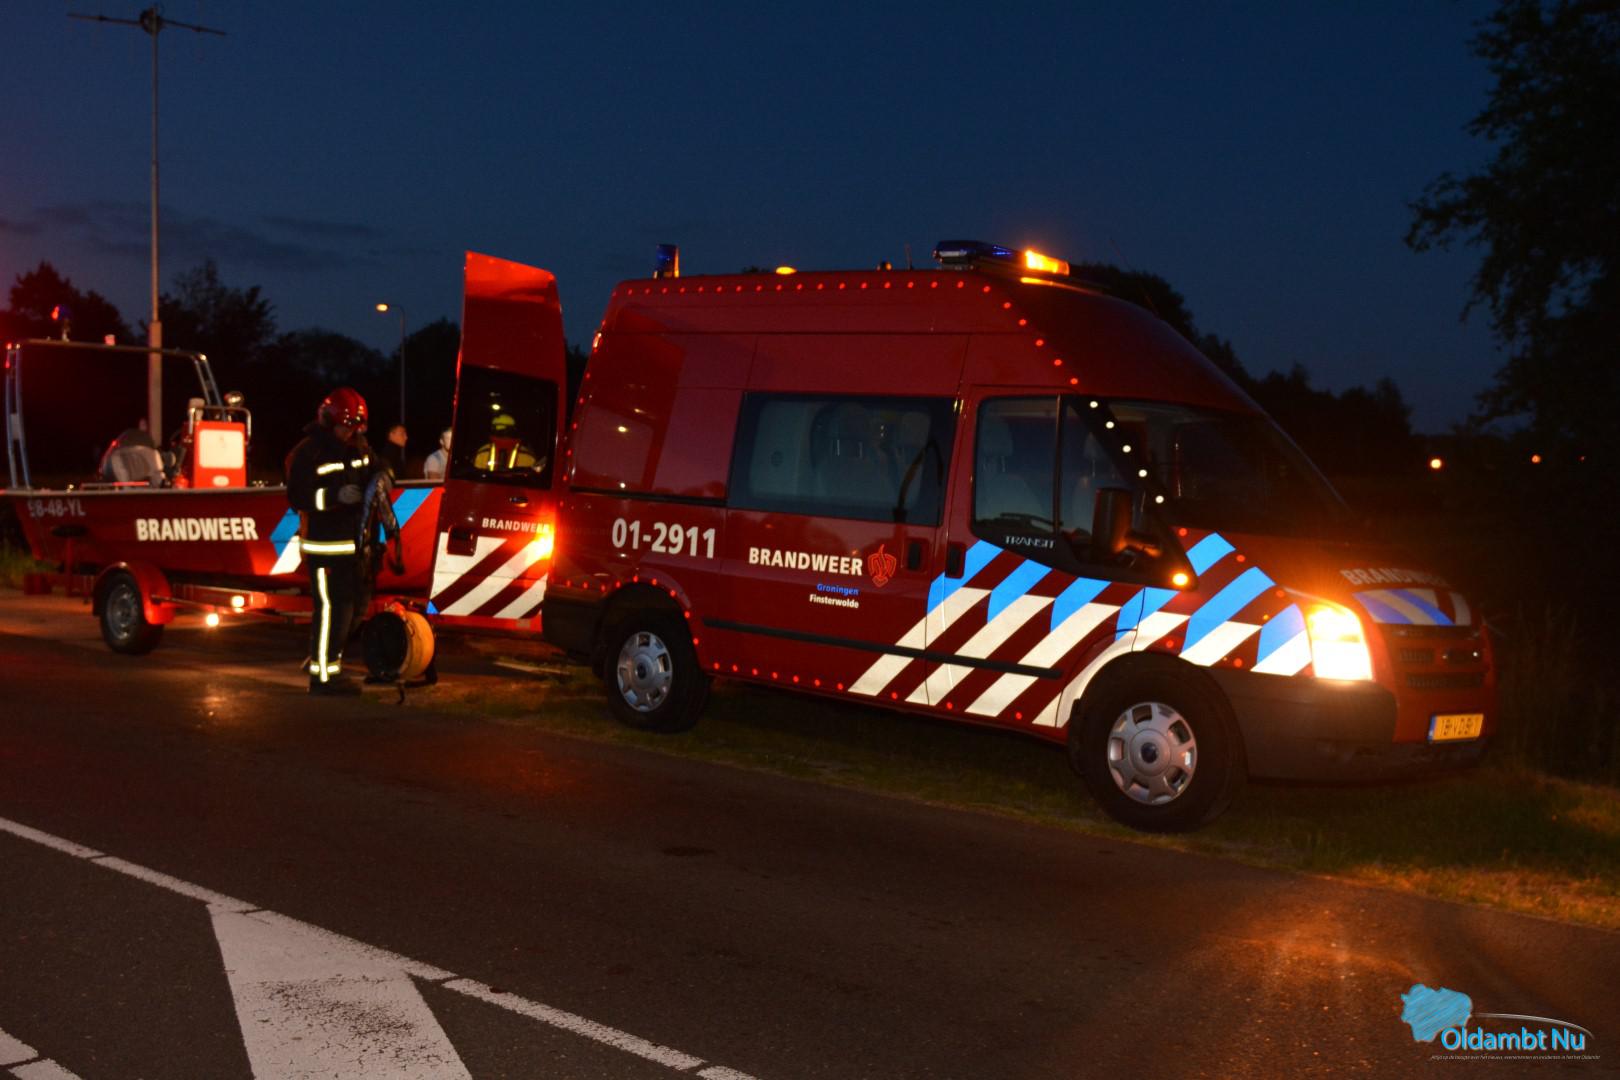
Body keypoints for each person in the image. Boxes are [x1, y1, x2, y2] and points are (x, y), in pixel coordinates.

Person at [284, 387, 373, 696]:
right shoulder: (310, 452)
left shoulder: (358, 447)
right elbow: (298, 497)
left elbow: (376, 468)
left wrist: (385, 475)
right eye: (346, 426)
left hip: (353, 547)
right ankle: (322, 677)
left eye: (356, 427)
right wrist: (335, 496)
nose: (350, 432)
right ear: (328, 421)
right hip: (324, 548)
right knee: (330, 612)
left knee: (351, 611)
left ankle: (330, 667)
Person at [473, 412, 541, 472]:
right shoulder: (528, 455)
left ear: (494, 429)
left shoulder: (482, 452)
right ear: (514, 429)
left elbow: (476, 477)